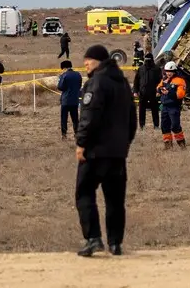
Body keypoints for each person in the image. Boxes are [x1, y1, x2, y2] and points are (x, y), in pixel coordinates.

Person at [75, 44, 137, 257]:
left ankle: (93, 238)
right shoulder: (122, 83)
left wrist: (81, 143)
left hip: (95, 152)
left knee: (84, 193)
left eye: (88, 61)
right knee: (115, 200)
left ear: (98, 61)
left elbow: (89, 116)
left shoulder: (96, 82)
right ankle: (115, 243)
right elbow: (132, 119)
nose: (85, 64)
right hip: (117, 154)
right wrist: (124, 145)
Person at [157, 61, 187, 149]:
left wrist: (169, 93)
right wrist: (160, 90)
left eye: (170, 71)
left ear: (174, 71)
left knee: (175, 125)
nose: (168, 73)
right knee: (164, 126)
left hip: (174, 107)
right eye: (167, 71)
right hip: (165, 107)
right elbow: (158, 87)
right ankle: (168, 145)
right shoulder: (164, 80)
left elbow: (180, 95)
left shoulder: (180, 81)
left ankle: (181, 143)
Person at [133, 53, 162, 129]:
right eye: (146, 59)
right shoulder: (141, 68)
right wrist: (135, 91)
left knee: (155, 109)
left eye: (149, 59)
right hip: (143, 93)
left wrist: (159, 91)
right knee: (142, 109)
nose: (148, 61)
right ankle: (142, 125)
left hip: (154, 93)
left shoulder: (157, 69)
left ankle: (156, 125)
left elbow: (160, 81)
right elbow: (136, 81)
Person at [58, 60, 83, 139]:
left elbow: (60, 87)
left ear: (64, 67)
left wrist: (59, 80)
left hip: (65, 100)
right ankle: (77, 133)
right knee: (75, 119)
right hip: (74, 100)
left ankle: (64, 134)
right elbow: (79, 86)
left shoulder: (64, 75)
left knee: (64, 118)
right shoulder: (78, 75)